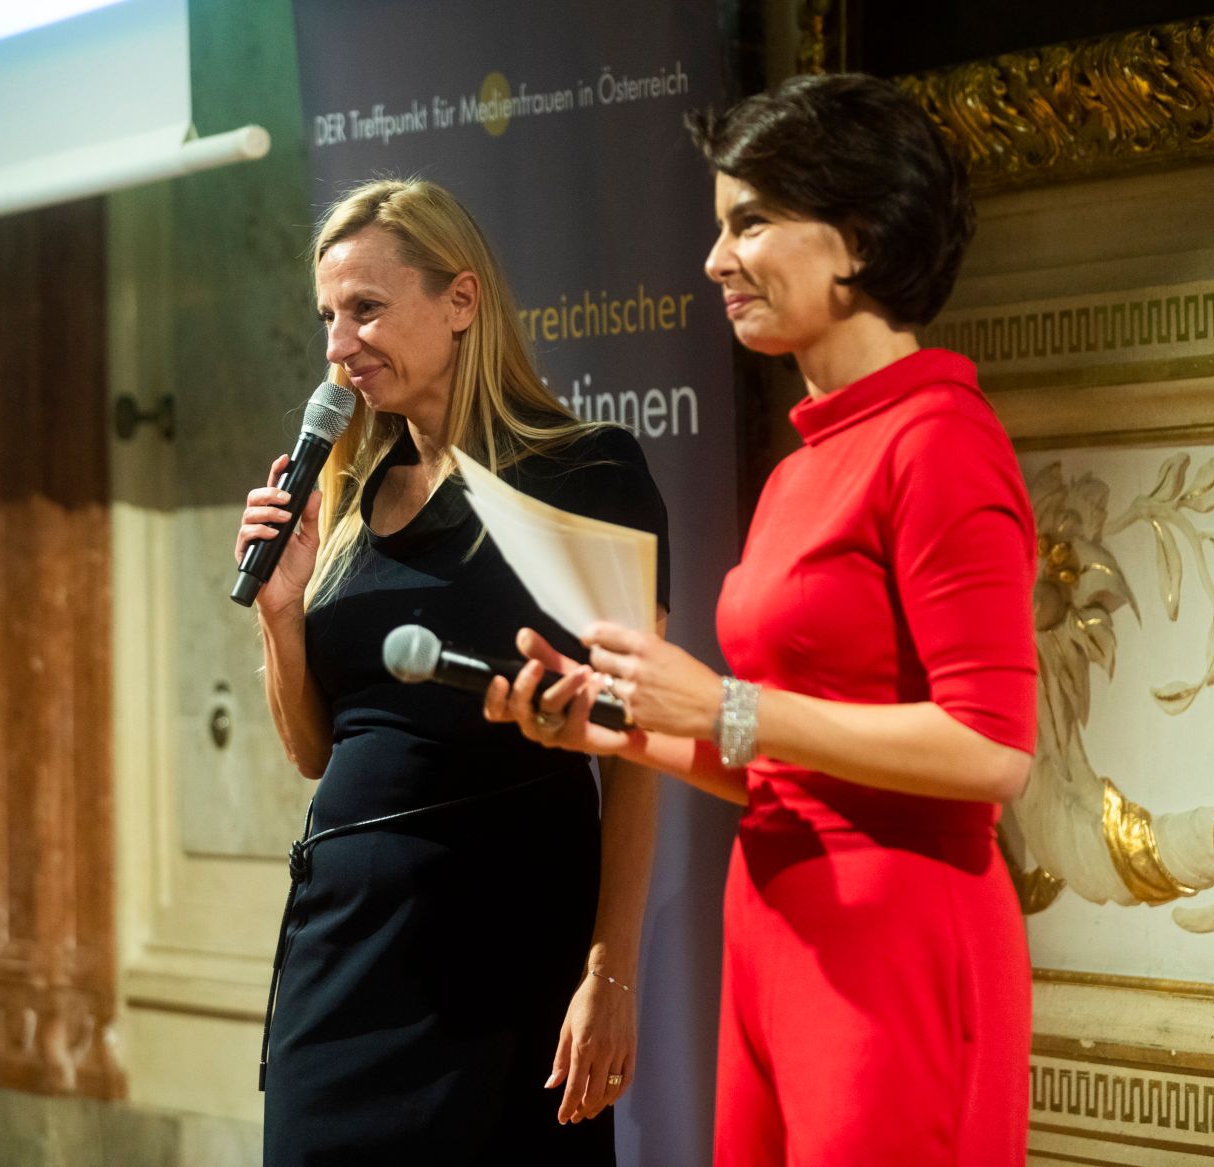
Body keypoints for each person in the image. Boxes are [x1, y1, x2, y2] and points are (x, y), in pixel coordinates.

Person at [486, 74, 1037, 1166]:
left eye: (748, 223)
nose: (713, 259)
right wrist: (619, 727)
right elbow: (788, 762)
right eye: (715, 225)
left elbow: (990, 750)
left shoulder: (940, 441)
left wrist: (728, 701)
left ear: (860, 237)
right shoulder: (803, 465)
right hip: (778, 924)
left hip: (894, 944)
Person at [237, 178, 669, 1166]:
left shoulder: (585, 474)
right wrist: (280, 616)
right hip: (339, 964)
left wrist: (609, 972)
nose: (338, 345)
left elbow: (637, 746)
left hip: (501, 957)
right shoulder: (348, 497)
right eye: (327, 318)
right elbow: (316, 754)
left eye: (366, 308)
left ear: (461, 301)